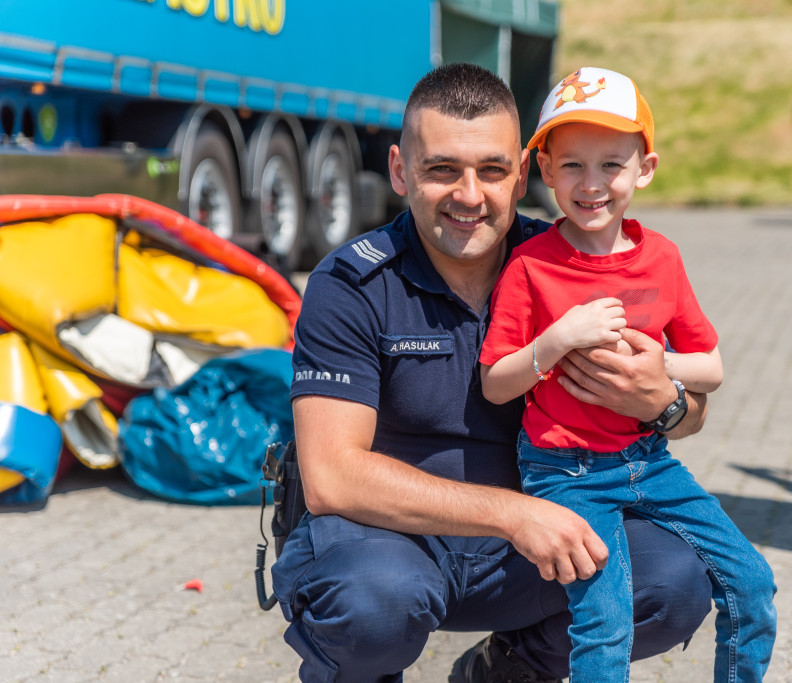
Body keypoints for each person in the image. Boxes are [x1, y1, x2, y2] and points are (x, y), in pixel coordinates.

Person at [271, 62, 716, 683]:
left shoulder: (570, 265)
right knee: (370, 608)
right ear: (400, 170)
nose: (469, 195)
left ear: (523, 174)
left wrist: (664, 403)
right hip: (391, 544)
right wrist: (511, 513)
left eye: (492, 170)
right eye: (442, 169)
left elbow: (690, 409)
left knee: (674, 581)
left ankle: (506, 671)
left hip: (535, 545)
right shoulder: (352, 285)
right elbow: (331, 476)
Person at [478, 67, 777, 683]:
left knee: (751, 583)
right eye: (571, 166)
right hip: (565, 473)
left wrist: (654, 363)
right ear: (544, 172)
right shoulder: (531, 266)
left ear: (645, 169)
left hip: (651, 462)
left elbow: (712, 368)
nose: (592, 185)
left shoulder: (662, 257)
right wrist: (557, 341)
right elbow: (495, 382)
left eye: (612, 165)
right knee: (605, 622)